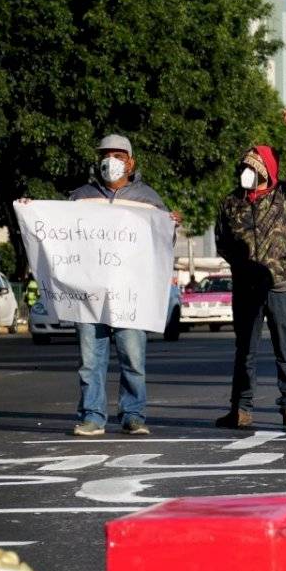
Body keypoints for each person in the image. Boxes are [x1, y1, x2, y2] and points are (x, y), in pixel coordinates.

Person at [66, 134, 179, 436]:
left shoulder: (148, 199)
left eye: (117, 155)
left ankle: (133, 415)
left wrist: (170, 225)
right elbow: (59, 238)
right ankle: (92, 416)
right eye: (105, 155)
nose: (110, 161)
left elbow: (162, 243)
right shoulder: (80, 197)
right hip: (89, 295)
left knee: (132, 358)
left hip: (131, 297)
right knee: (90, 361)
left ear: (131, 162)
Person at [214, 110, 286, 430]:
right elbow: (222, 241)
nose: (247, 173)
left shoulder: (284, 195)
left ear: (267, 171)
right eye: (244, 168)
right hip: (246, 284)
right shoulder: (231, 202)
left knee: (285, 348)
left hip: (280, 282)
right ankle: (240, 409)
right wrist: (241, 266)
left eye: (253, 168)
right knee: (245, 350)